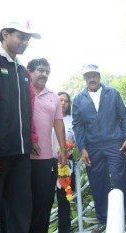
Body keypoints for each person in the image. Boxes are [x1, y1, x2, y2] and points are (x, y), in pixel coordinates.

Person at [0, 20, 41, 233]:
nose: (26, 42)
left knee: (20, 211)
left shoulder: (23, 71)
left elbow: (29, 108)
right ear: (5, 35)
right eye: (21, 36)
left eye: (28, 38)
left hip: (21, 155)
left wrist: (32, 138)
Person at [72, 64, 126, 233]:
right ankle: (103, 220)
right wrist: (82, 148)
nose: (91, 79)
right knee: (98, 183)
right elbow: (77, 125)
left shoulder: (112, 93)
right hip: (92, 148)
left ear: (99, 76)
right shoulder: (79, 99)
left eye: (94, 75)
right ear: (84, 79)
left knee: (120, 179)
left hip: (115, 143)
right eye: (88, 76)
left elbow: (124, 116)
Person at [27, 58, 67, 233]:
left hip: (45, 159)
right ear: (30, 71)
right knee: (21, 203)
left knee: (44, 202)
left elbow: (59, 123)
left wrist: (63, 150)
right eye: (40, 70)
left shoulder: (53, 97)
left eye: (47, 72)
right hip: (21, 157)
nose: (44, 74)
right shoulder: (22, 91)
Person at [52, 91, 76, 233]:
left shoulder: (72, 120)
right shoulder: (48, 117)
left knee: (64, 199)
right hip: (48, 161)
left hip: (66, 163)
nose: (62, 103)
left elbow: (77, 141)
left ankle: (65, 230)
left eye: (66, 101)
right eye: (60, 100)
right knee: (45, 198)